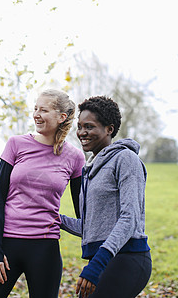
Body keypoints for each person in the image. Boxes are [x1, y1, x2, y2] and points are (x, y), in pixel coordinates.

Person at [0, 89, 85, 298]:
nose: (36, 114)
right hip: (7, 245)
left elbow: (84, 213)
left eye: (43, 110)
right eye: (35, 108)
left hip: (45, 248)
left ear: (61, 117)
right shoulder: (16, 144)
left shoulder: (75, 157)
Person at [60, 96, 152, 298]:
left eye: (90, 126)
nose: (82, 132)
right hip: (106, 259)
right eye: (80, 126)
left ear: (109, 129)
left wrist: (98, 263)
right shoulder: (90, 169)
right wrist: (57, 219)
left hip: (128, 258)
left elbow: (130, 218)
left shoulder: (126, 159)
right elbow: (91, 226)